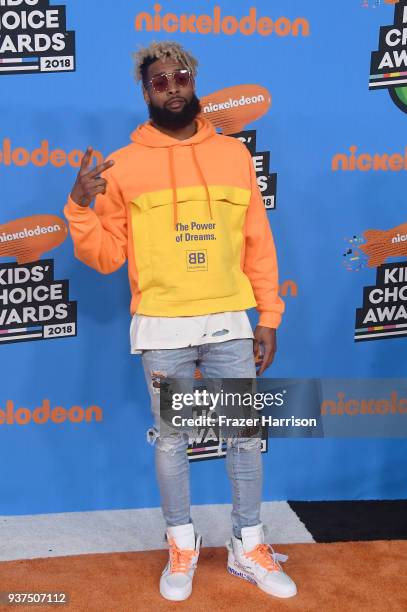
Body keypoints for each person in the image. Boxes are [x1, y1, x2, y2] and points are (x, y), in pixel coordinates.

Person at [63, 40, 297, 602]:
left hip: (228, 319)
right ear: (145, 91)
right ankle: (183, 544)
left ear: (194, 81)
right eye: (159, 81)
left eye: (181, 76)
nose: (172, 87)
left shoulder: (234, 156)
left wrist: (267, 313)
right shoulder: (123, 166)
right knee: (173, 442)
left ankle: (248, 544)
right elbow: (107, 257)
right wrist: (78, 207)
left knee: (244, 435)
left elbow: (257, 241)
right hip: (163, 324)